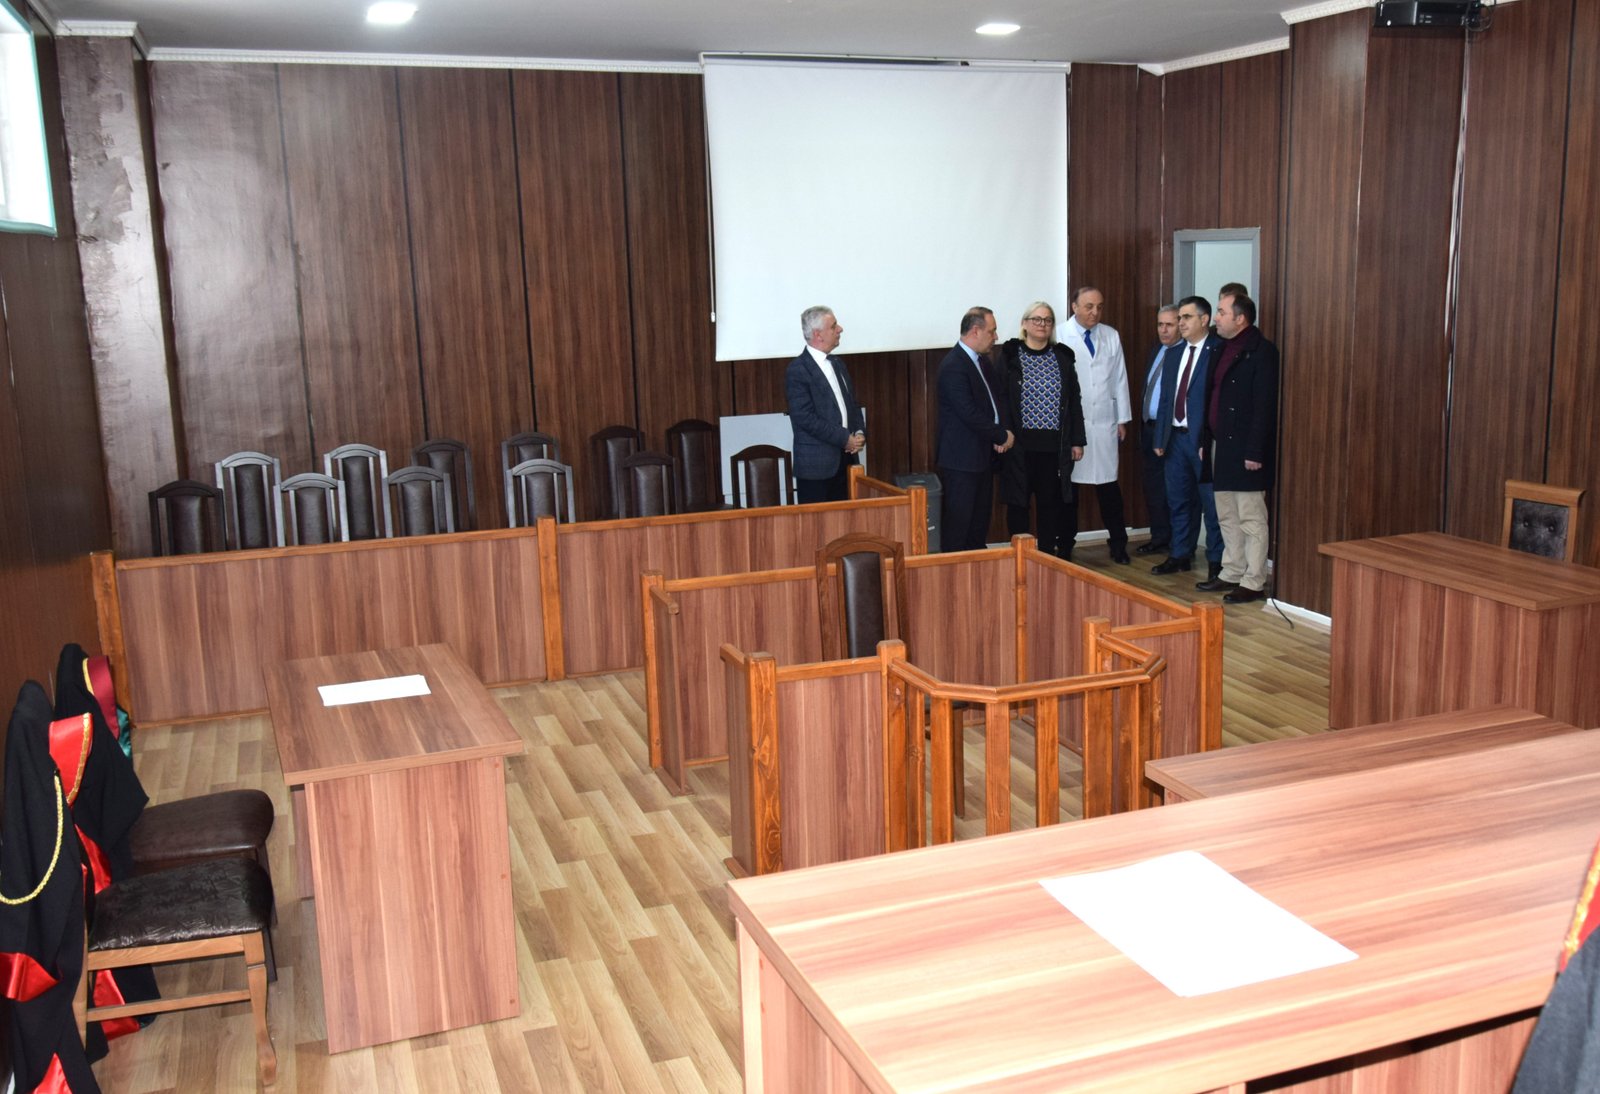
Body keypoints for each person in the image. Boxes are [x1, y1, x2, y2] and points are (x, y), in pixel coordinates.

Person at [1201, 292, 1279, 603]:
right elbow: (1211, 398)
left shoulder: (1262, 352)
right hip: (1221, 445)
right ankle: (1232, 571)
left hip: (1246, 449)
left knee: (1250, 517)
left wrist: (1254, 451)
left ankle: (1254, 580)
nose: (1216, 318)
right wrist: (1205, 441)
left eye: (1221, 312)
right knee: (1227, 514)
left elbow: (1264, 406)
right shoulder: (1221, 348)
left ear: (1240, 318)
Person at [997, 302, 1086, 558]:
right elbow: (1001, 398)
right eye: (1036, 319)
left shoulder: (1062, 357)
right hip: (1018, 446)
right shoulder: (1010, 356)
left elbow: (1074, 401)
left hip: (1053, 448)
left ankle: (1047, 556)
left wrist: (1077, 440)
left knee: (1050, 505)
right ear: (1024, 323)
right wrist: (1003, 433)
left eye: (1047, 320)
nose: (1042, 324)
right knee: (1018, 504)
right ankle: (1020, 556)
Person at [1151, 296, 1225, 583]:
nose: (1180, 323)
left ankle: (1216, 561)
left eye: (1187, 317)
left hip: (1203, 441)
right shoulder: (1173, 354)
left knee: (1211, 505)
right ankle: (1180, 553)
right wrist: (1160, 437)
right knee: (1178, 500)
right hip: (1175, 440)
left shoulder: (1217, 350)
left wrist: (1212, 439)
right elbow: (1166, 399)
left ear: (1204, 320)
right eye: (1179, 318)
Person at [1059, 286, 1132, 563]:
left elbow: (1120, 378)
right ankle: (1065, 544)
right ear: (1074, 306)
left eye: (1099, 307)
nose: (1095, 312)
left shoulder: (1110, 335)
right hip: (1073, 425)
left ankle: (1118, 544)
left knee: (1109, 487)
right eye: (1089, 306)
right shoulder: (1060, 335)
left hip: (1104, 422)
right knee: (1070, 490)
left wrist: (1122, 418)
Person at [937, 307, 1014, 552]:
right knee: (959, 527)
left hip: (982, 457)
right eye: (992, 331)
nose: (996, 337)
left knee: (979, 525)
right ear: (976, 331)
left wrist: (1001, 430)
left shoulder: (982, 362)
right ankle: (954, 572)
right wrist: (1000, 435)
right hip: (961, 461)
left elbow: (997, 400)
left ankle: (976, 570)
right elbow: (968, 412)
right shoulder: (954, 365)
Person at [785, 305, 866, 503]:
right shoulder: (798, 370)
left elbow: (852, 405)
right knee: (817, 522)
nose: (840, 329)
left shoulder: (838, 364)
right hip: (816, 469)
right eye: (833, 326)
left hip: (847, 462)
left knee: (847, 521)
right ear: (818, 334)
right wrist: (844, 438)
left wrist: (859, 432)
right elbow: (804, 417)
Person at [1136, 306, 1181, 556]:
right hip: (1149, 428)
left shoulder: (1183, 354)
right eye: (1160, 325)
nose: (1163, 330)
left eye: (1169, 325)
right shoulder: (1157, 350)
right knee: (1153, 487)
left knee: (1173, 489)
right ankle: (1159, 536)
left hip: (1170, 431)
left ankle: (1178, 543)